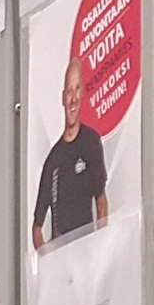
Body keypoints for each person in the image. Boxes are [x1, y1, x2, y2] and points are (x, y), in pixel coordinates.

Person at [30, 56, 111, 250]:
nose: (73, 98)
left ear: (82, 92)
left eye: (77, 89)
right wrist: (47, 254)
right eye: (69, 91)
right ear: (62, 98)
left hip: (86, 254)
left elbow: (101, 201)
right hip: (61, 264)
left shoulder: (90, 142)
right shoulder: (53, 159)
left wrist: (99, 246)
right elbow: (36, 227)